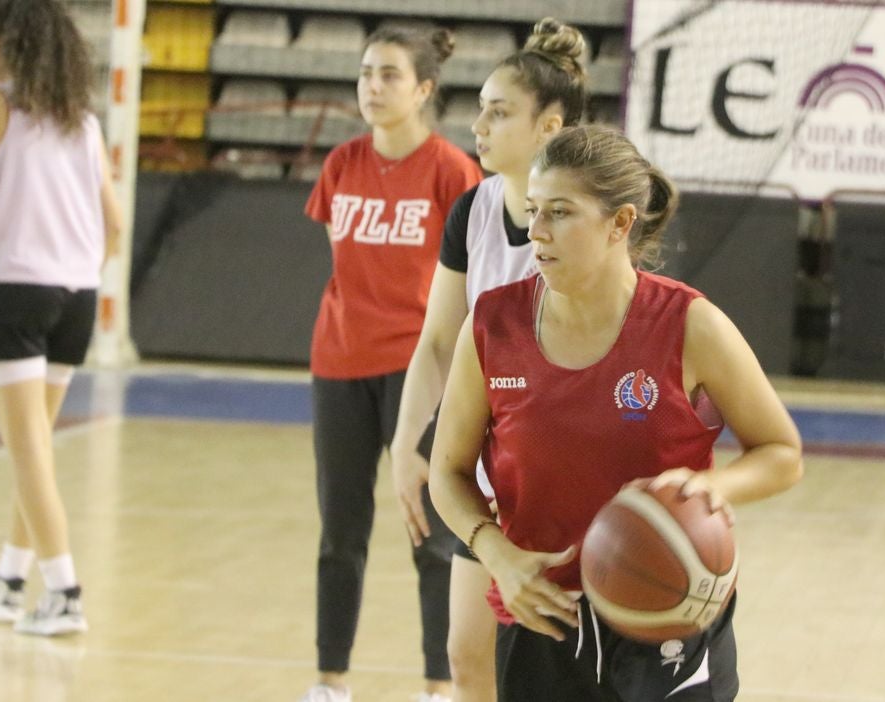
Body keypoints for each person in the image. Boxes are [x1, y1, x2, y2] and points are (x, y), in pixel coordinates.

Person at [428, 124, 804, 702]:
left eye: (560, 212)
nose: (537, 231)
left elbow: (781, 453)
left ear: (620, 223)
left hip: (671, 612)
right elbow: (447, 471)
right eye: (533, 210)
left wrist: (710, 487)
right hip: (544, 616)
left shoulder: (689, 324)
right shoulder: (492, 325)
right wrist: (497, 554)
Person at [387, 18, 588, 702]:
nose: (480, 125)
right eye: (479, 109)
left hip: (565, 469)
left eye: (499, 113)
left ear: (549, 128)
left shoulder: (579, 219)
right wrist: (408, 447)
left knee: (559, 669)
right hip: (489, 469)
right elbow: (439, 340)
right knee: (467, 657)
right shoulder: (472, 210)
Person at [300, 25, 483, 702]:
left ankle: (439, 687)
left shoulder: (452, 171)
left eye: (389, 75)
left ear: (425, 89)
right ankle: (329, 682)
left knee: (431, 536)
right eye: (366, 73)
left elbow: (466, 285)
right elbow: (341, 263)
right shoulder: (341, 163)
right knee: (339, 533)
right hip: (339, 364)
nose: (372, 87)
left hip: (421, 374)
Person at [0, 0, 123, 636]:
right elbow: (113, 226)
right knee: (32, 446)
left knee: (29, 450)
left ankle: (63, 590)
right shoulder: (82, 122)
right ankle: (9, 577)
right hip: (77, 296)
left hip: (11, 290)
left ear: (3, 41)